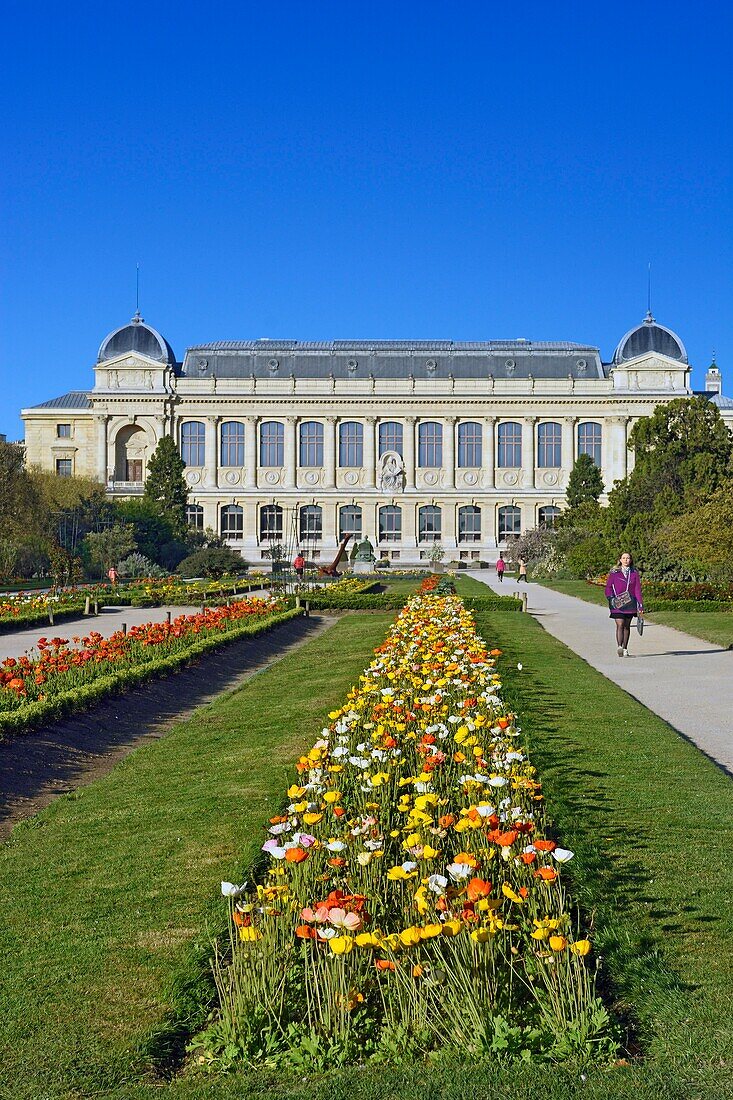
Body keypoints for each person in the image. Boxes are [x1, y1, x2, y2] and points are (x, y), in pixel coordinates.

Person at [604, 552, 644, 657]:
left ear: (631, 560)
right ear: (620, 560)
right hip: (617, 603)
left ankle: (625, 648)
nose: (626, 560)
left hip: (630, 603)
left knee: (626, 626)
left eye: (628, 558)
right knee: (620, 624)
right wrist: (610, 598)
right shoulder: (614, 573)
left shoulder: (634, 573)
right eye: (624, 558)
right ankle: (619, 647)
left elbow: (637, 590)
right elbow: (608, 587)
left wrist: (640, 605)